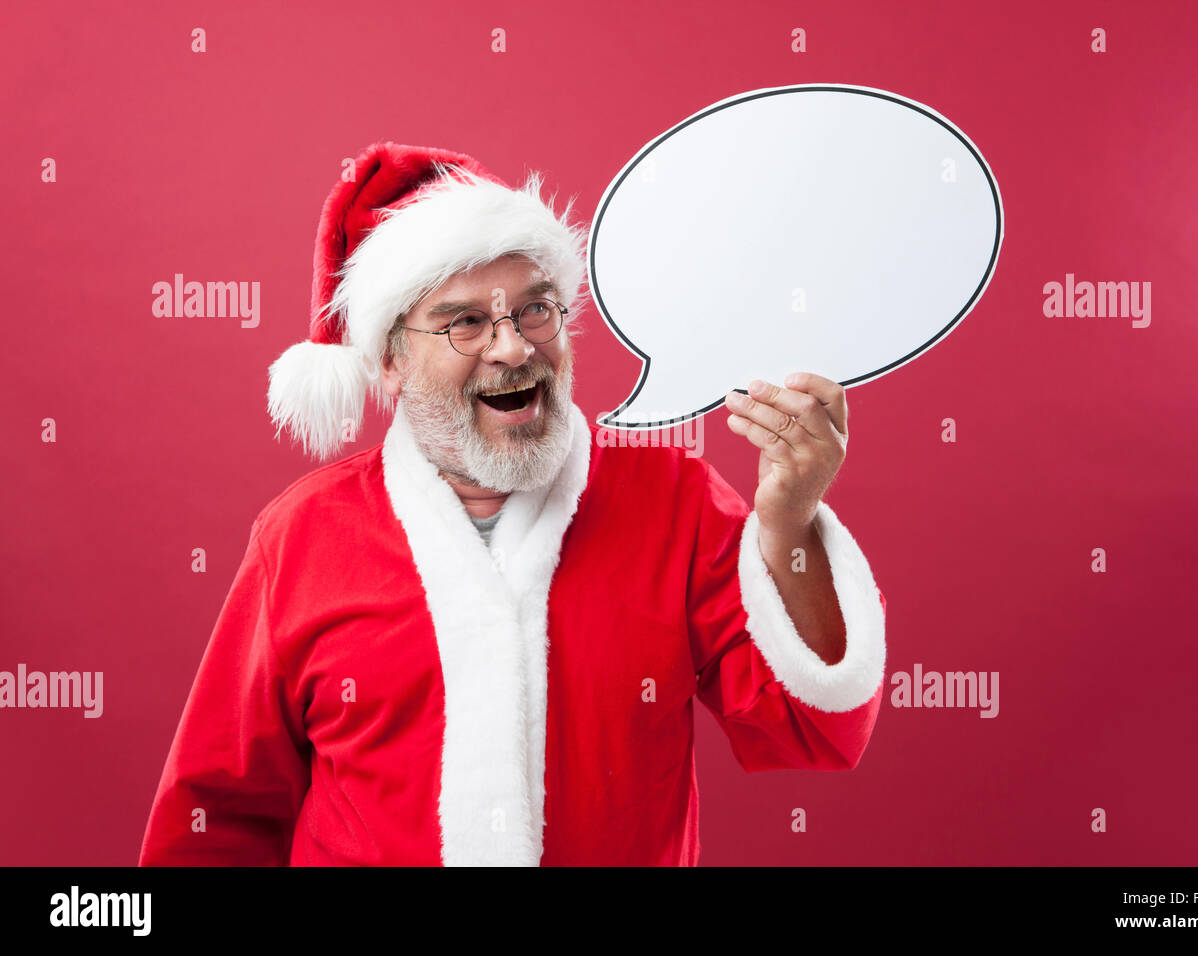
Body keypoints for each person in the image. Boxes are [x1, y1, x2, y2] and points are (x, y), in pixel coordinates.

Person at [138, 142, 888, 866]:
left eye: (536, 310)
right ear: (391, 359)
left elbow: (813, 726)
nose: (513, 347)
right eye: (465, 322)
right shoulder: (301, 539)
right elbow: (215, 818)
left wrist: (789, 522)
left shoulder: (672, 500)